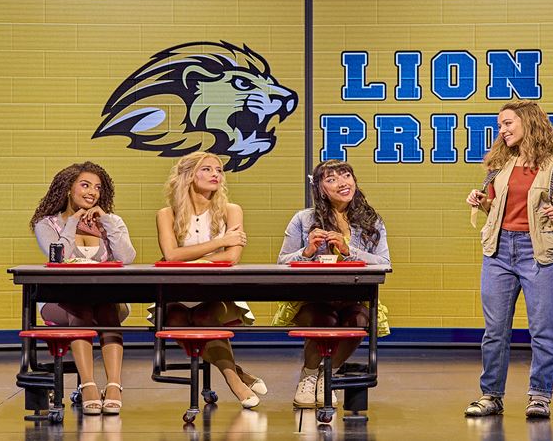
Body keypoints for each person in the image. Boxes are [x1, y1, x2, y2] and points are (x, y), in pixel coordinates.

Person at [465, 101, 553, 418]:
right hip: (499, 251)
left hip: (540, 252)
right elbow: (496, 206)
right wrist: (481, 200)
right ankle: (491, 395)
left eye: (507, 123)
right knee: (495, 331)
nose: (501, 130)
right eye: (500, 125)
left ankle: (540, 396)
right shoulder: (499, 164)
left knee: (544, 330)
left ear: (529, 122)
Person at [275, 159, 390, 408]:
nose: (342, 183)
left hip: (353, 297)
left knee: (360, 320)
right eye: (332, 179)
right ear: (320, 189)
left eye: (346, 175)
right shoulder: (303, 220)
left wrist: (350, 251)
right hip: (313, 298)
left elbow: (384, 261)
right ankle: (308, 375)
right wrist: (306, 252)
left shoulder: (371, 221)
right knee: (324, 318)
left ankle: (326, 376)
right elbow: (282, 262)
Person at [155, 151, 264, 409]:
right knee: (176, 320)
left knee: (204, 317)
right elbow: (171, 255)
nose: (215, 174)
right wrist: (219, 243)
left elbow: (232, 256)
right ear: (189, 175)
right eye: (207, 169)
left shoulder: (231, 211)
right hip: (177, 292)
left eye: (219, 170)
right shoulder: (166, 214)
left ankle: (232, 380)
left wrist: (190, 260)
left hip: (218, 291)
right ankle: (237, 372)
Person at [30, 161, 136, 415]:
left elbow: (127, 257)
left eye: (98, 188)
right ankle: (88, 386)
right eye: (85, 185)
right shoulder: (47, 224)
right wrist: (73, 222)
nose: (92, 192)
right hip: (60, 303)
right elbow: (59, 257)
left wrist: (107, 222)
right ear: (69, 188)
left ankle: (113, 386)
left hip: (104, 298)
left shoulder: (110, 221)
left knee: (107, 310)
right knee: (80, 309)